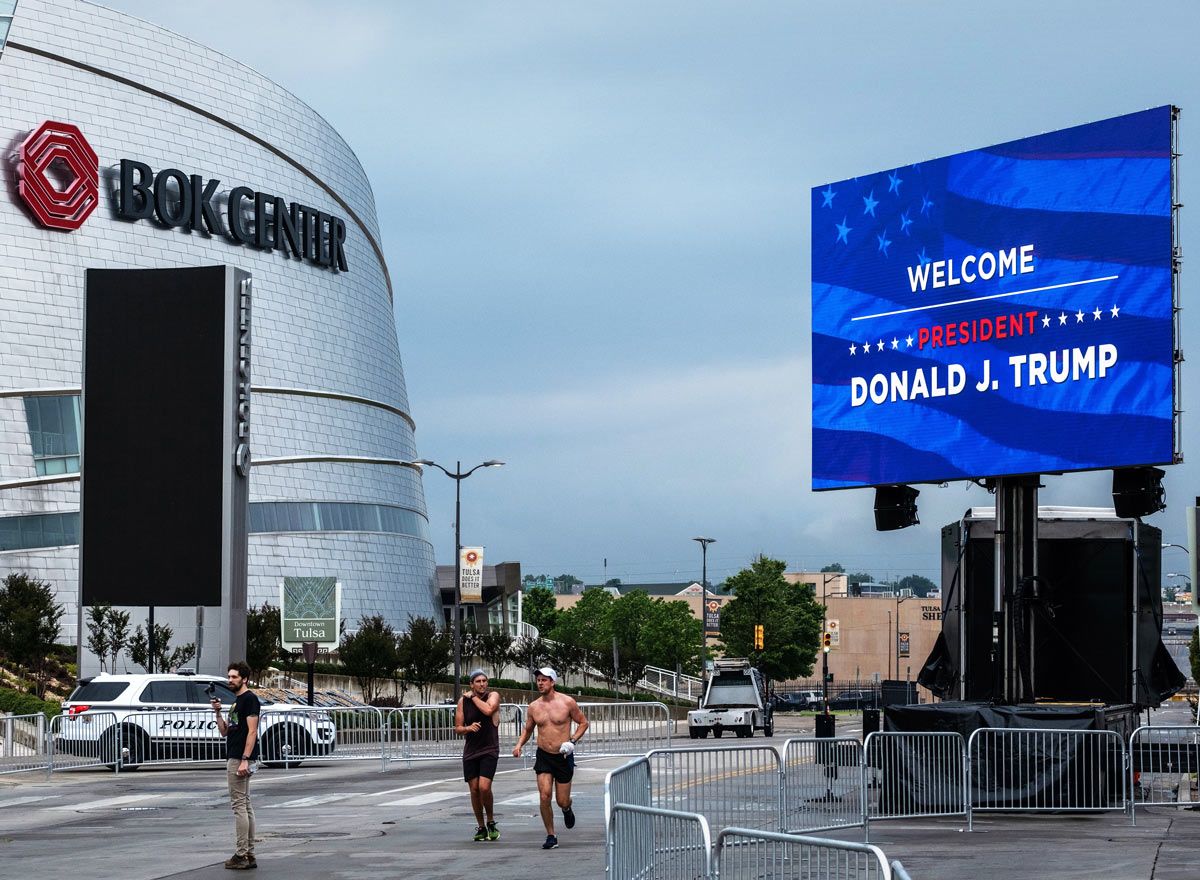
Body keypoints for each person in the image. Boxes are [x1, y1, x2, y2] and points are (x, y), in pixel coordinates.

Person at [512, 666, 589, 850]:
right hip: (544, 756)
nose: (540, 683)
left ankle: (566, 808)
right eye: (538, 680)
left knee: (562, 800)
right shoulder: (534, 706)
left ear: (552, 682)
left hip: (563, 756)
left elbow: (583, 723)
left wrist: (572, 742)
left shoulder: (567, 702)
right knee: (545, 796)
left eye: (544, 680)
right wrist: (519, 744)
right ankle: (551, 835)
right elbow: (529, 729)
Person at [211, 661, 260, 870]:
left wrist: (244, 759)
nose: (230, 680)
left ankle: (242, 854)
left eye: (234, 677)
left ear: (244, 679)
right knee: (245, 804)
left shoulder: (249, 700)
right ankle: (248, 853)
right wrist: (218, 712)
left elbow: (252, 731)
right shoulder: (236, 702)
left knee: (239, 805)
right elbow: (225, 731)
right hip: (235, 755)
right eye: (229, 676)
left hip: (239, 758)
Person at [454, 668, 502, 841]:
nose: (482, 684)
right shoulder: (462, 702)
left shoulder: (492, 696)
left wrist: (473, 697)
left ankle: (491, 821)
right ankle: (481, 827)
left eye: (484, 681)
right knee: (474, 790)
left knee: (484, 787)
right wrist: (467, 728)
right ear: (471, 684)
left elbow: (488, 711)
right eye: (478, 681)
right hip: (471, 751)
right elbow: (457, 727)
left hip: (489, 749)